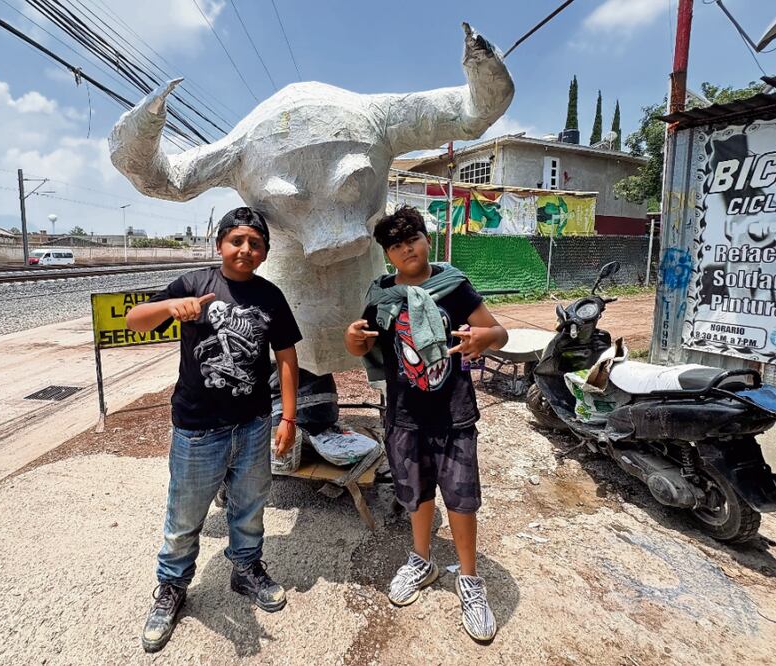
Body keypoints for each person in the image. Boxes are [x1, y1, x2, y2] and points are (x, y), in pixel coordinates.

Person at [126, 207, 301, 653]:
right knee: (184, 516)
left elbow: (285, 357)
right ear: (220, 244)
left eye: (255, 243)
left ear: (264, 252)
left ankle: (245, 569)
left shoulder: (270, 296)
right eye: (236, 241)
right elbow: (135, 320)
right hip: (198, 427)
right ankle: (171, 587)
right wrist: (169, 307)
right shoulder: (193, 285)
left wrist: (288, 417)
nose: (245, 250)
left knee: (250, 504)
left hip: (254, 423)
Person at [343, 205, 508, 643]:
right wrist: (352, 339)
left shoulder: (453, 288)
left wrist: (482, 338)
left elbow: (499, 333)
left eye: (412, 239)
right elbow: (361, 342)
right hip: (404, 416)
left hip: (453, 412)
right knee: (416, 495)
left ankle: (470, 580)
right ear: (388, 255)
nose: (407, 249)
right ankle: (422, 560)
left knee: (461, 498)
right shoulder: (382, 298)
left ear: (426, 238)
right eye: (396, 246)